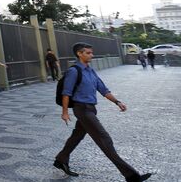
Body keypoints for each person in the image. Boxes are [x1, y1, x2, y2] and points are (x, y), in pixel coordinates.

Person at [54, 42, 151, 182]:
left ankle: (61, 159)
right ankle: (131, 175)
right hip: (82, 109)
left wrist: (117, 102)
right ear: (79, 54)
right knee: (104, 138)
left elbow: (103, 90)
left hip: (91, 109)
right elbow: (66, 93)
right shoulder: (74, 71)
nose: (91, 55)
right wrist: (65, 112)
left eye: (91, 52)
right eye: (88, 53)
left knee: (77, 135)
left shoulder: (91, 71)